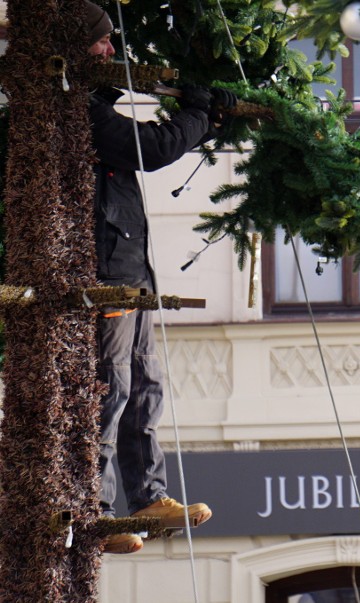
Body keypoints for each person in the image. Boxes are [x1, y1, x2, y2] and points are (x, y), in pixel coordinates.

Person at [85, 0, 236, 554]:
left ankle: (147, 496)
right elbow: (151, 147)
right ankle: (94, 506)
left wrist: (205, 116)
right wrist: (197, 115)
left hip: (132, 269)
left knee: (145, 385)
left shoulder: (93, 105)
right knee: (112, 386)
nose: (110, 52)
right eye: (100, 43)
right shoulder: (80, 112)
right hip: (108, 272)